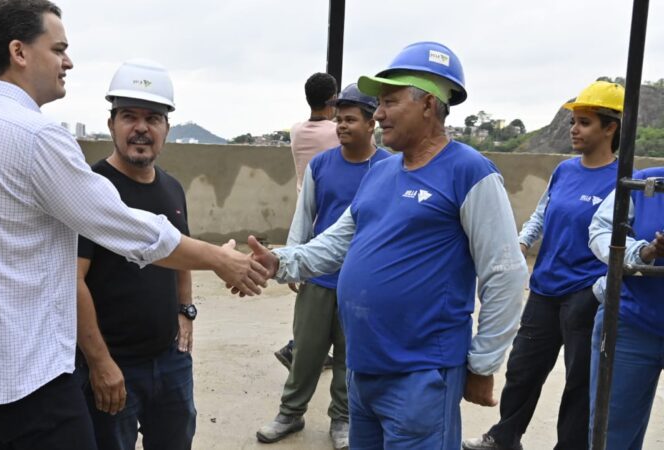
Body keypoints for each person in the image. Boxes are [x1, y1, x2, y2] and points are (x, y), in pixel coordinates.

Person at [0, 2, 266, 449]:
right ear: (19, 52)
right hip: (32, 381)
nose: (68, 61)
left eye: (154, 117)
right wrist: (219, 258)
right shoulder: (36, 138)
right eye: (58, 48)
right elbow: (125, 228)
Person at [236, 41, 527, 449]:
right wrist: (280, 262)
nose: (380, 114)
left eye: (389, 102)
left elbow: (505, 273)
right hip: (363, 366)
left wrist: (482, 363)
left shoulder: (469, 172)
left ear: (428, 104)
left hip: (422, 375)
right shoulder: (381, 171)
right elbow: (336, 244)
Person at [463, 80, 624, 450]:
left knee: (579, 380)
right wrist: (519, 243)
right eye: (573, 122)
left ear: (609, 127)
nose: (574, 129)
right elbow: (541, 214)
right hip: (545, 288)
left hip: (586, 293)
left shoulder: (620, 180)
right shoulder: (565, 171)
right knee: (523, 370)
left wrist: (597, 291)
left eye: (584, 122)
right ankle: (504, 437)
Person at [256, 84, 391, 449]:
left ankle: (342, 419)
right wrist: (294, 262)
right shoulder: (322, 165)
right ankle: (290, 412)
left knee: (350, 355)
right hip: (319, 276)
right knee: (306, 351)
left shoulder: (388, 168)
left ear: (371, 124)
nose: (342, 126)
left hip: (363, 281)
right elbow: (305, 216)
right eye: (339, 119)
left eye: (350, 120)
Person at [74, 59, 197, 450]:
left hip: (170, 359)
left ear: (166, 129)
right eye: (129, 116)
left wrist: (185, 311)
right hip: (114, 363)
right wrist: (99, 363)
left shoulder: (172, 188)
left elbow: (181, 256)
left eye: (153, 118)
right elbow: (71, 281)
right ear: (111, 124)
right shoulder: (90, 190)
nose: (141, 128)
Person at [588, 169, 664, 449]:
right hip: (631, 323)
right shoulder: (646, 183)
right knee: (611, 435)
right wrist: (644, 253)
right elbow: (600, 229)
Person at [274, 72, 340, 370]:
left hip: (305, 212)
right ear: (333, 101)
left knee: (312, 287)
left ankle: (302, 346)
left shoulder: (297, 131)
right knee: (323, 291)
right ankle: (298, 347)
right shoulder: (336, 132)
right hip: (329, 213)